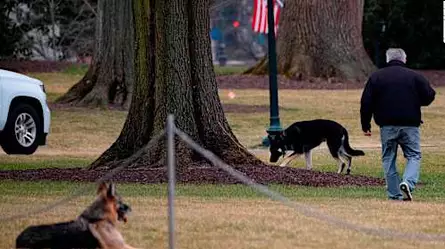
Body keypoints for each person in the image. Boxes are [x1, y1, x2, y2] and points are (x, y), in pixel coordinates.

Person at [360, 48, 436, 201]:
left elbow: (366, 102)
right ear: (404, 59)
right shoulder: (414, 76)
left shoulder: (376, 77)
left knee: (388, 157)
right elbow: (429, 95)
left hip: (387, 125)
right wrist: (415, 102)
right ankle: (408, 182)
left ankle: (394, 195)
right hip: (410, 124)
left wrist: (365, 124)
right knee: (413, 155)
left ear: (387, 60)